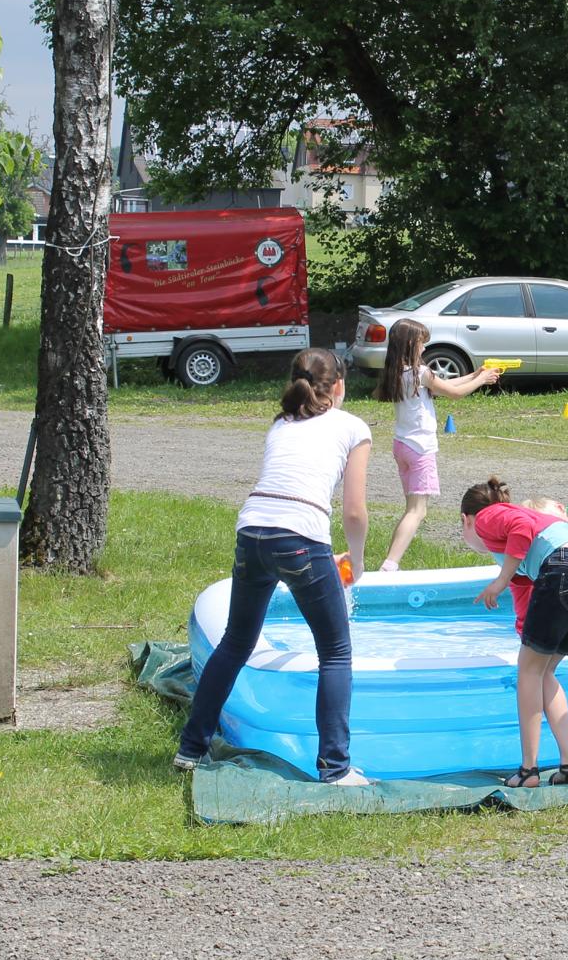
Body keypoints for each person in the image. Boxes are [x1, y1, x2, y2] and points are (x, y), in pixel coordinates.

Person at [174, 348, 372, 784]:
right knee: (335, 652)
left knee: (235, 642)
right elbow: (355, 512)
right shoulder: (352, 426)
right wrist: (356, 561)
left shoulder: (281, 424)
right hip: (300, 537)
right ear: (339, 385)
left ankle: (190, 749)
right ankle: (335, 768)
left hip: (253, 532)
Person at [461, 477, 568, 788]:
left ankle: (529, 770)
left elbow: (521, 529)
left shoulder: (488, 516)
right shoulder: (514, 551)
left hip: (565, 567)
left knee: (528, 672)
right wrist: (526, 637)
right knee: (543, 671)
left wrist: (499, 581)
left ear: (466, 520)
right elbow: (527, 598)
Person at [372, 318, 501, 570]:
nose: (424, 348)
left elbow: (444, 386)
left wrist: (475, 374)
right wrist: (482, 380)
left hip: (403, 446)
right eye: (421, 343)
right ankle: (389, 565)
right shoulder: (420, 372)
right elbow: (454, 393)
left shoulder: (399, 372)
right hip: (420, 448)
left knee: (411, 509)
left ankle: (390, 561)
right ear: (411, 344)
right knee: (417, 512)